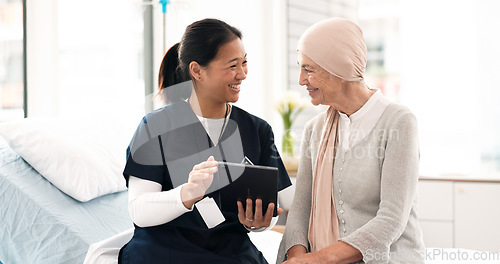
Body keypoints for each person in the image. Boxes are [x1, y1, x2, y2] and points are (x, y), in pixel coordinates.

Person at [118, 18, 291, 264]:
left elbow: (273, 209)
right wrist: (187, 193)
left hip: (232, 252)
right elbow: (139, 210)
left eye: (244, 62)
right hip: (165, 251)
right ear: (197, 70)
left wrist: (260, 223)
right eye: (232, 65)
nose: (242, 74)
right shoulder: (155, 127)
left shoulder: (257, 130)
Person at [276, 17, 425, 264]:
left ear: (340, 70)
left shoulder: (398, 122)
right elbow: (300, 211)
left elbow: (391, 219)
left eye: (309, 69)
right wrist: (298, 259)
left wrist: (319, 260)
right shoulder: (315, 130)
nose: (301, 80)